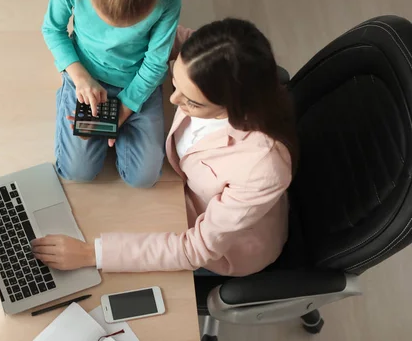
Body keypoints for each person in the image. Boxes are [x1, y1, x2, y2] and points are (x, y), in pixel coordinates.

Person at [32, 18, 298, 276]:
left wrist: (92, 255)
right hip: (177, 187)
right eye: (173, 81)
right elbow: (155, 38)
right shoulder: (209, 54)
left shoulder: (263, 167)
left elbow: (195, 249)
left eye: (192, 102)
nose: (172, 98)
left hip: (218, 246)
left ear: (233, 105)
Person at [41, 0, 181, 188]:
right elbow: (52, 29)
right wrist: (80, 77)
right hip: (86, 75)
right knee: (76, 172)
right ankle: (72, 96)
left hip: (139, 81)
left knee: (144, 179)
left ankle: (115, 130)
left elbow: (155, 62)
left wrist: (125, 109)